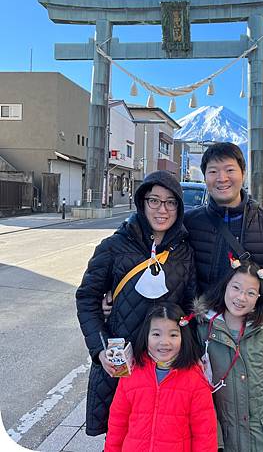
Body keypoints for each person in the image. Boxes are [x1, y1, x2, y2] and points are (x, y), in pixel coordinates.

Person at [76, 171, 197, 436]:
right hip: (122, 367)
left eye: (170, 202)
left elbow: (191, 307)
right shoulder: (113, 247)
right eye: (154, 200)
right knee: (121, 435)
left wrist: (191, 354)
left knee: (162, 435)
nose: (162, 209)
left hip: (166, 365)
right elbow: (86, 298)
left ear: (179, 206)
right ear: (142, 203)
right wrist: (99, 349)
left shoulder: (185, 252)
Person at [184, 142, 263, 369]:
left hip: (255, 340)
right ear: (205, 176)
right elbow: (173, 276)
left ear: (242, 174)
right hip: (203, 339)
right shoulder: (190, 224)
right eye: (213, 171)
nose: (222, 178)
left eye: (229, 170)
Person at [194, 259, 263, 452]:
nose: (241, 298)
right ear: (225, 287)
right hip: (223, 440)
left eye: (250, 293)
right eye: (236, 288)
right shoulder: (204, 331)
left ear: (258, 299)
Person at [105, 303, 217, 452]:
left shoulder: (195, 379)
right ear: (146, 335)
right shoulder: (132, 372)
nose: (164, 342)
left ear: (183, 336)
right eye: (156, 334)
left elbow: (205, 433)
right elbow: (117, 423)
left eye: (173, 335)